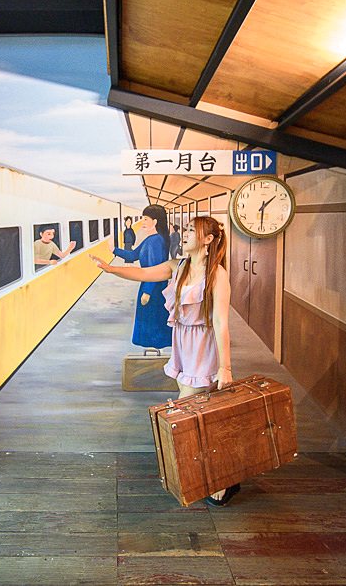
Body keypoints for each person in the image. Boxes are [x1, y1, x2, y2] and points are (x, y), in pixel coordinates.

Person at [92, 215, 239, 506]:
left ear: (208, 240)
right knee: (201, 415)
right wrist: (110, 270)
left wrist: (226, 366)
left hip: (203, 346)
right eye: (184, 230)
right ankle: (219, 477)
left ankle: (221, 479)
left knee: (191, 411)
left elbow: (221, 322)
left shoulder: (217, 274)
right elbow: (144, 274)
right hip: (183, 345)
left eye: (190, 232)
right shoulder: (178, 267)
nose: (183, 235)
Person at [108, 205, 172, 350]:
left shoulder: (155, 241)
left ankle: (155, 346)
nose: (142, 222)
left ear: (155, 221)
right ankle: (154, 345)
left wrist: (147, 292)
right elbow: (132, 255)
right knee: (152, 317)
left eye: (145, 219)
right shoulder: (151, 239)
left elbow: (154, 268)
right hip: (150, 282)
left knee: (152, 317)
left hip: (153, 286)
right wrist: (114, 250)